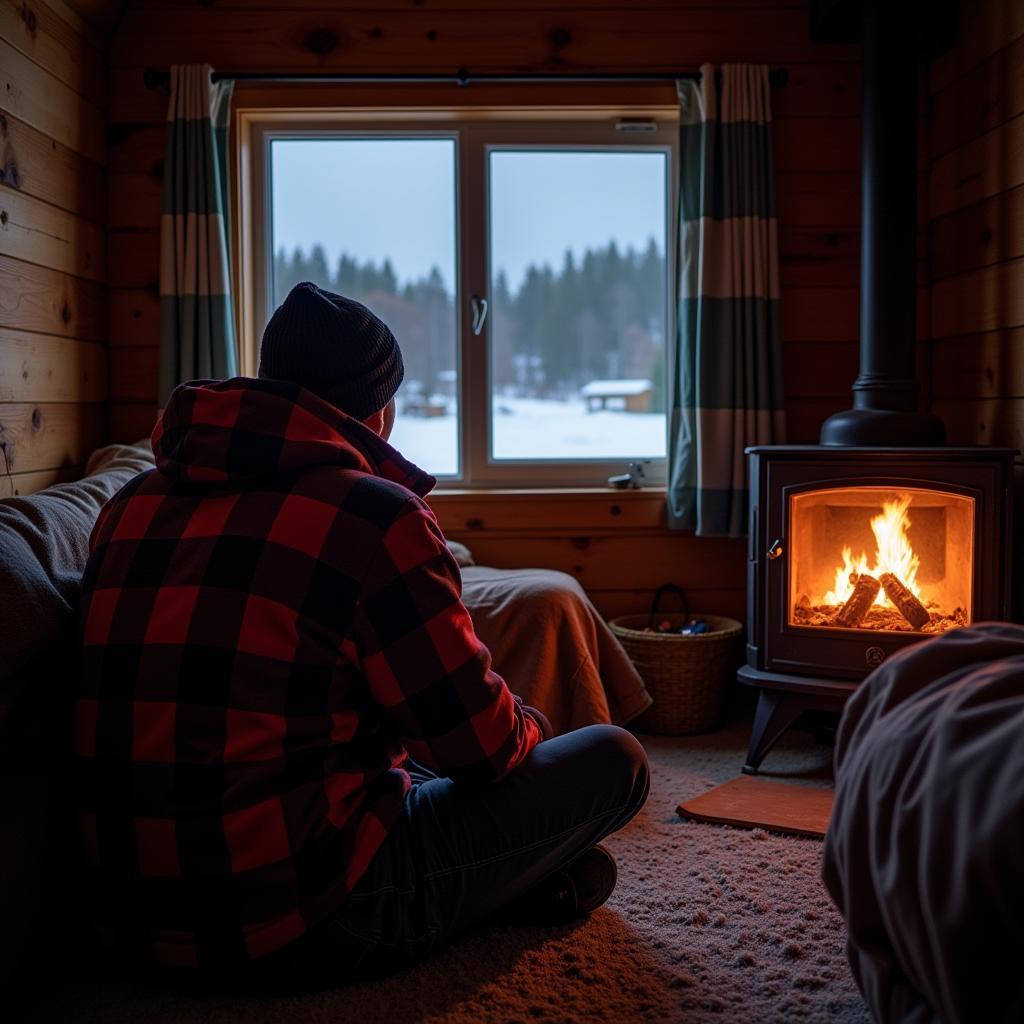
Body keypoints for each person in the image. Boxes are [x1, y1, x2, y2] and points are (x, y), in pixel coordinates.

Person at [74, 281, 650, 986]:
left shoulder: (128, 505)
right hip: (297, 917)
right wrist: (534, 728)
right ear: (379, 412)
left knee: (418, 766)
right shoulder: (376, 517)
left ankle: (523, 876)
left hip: (121, 913)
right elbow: (483, 749)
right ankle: (520, 880)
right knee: (615, 761)